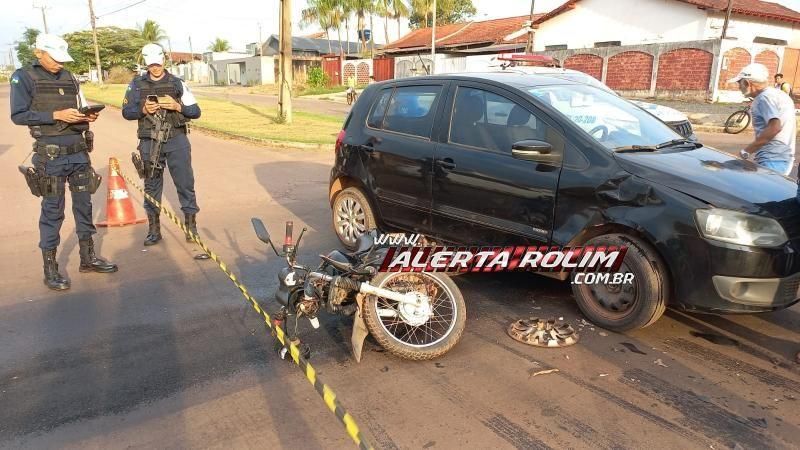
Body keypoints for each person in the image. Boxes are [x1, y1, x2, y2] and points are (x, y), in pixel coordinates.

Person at [10, 34, 117, 291]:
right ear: (39, 53)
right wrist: (54, 115)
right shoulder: (23, 77)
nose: (59, 63)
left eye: (61, 58)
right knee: (52, 212)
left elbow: (79, 107)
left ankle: (88, 258)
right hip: (51, 156)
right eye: (54, 58)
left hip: (79, 153)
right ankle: (50, 269)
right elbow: (18, 115)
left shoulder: (69, 77)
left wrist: (86, 117)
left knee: (84, 206)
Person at [122, 43, 202, 246]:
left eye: (157, 64)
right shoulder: (136, 84)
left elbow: (196, 111)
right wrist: (144, 109)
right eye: (151, 65)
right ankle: (154, 230)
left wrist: (177, 106)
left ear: (164, 60)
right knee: (151, 185)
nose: (154, 68)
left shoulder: (177, 83)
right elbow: (127, 112)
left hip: (176, 138)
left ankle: (191, 227)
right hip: (149, 140)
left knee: (185, 183)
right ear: (145, 63)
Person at [732, 63, 796, 176]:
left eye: (739, 83)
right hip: (784, 158)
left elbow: (775, 127)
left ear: (747, 83)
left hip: (771, 160)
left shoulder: (763, 98)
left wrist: (746, 151)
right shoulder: (779, 94)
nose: (739, 87)